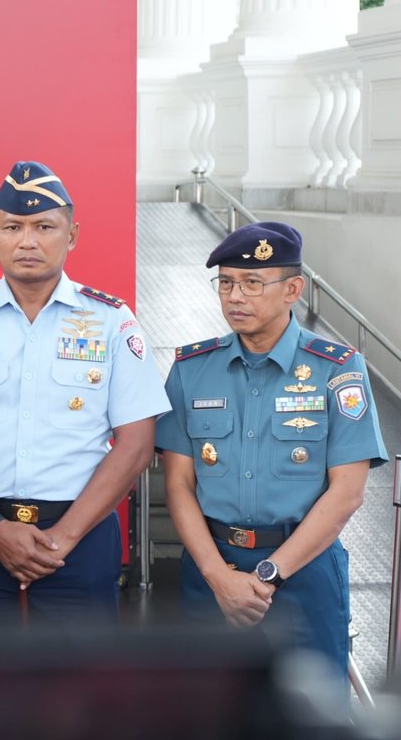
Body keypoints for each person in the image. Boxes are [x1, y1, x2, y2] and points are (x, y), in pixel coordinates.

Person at [0, 161, 169, 624]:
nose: (27, 241)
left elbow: (136, 443)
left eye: (44, 227)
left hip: (82, 535)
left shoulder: (112, 321)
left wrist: (64, 537)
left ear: (71, 235)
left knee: (79, 668)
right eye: (13, 227)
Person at [156, 221, 386, 687]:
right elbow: (178, 484)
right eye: (225, 283)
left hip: (305, 570)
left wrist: (267, 576)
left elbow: (347, 493)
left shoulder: (337, 370)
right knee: (208, 711)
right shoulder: (190, 370)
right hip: (212, 567)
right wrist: (219, 578)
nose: (234, 297)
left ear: (292, 290)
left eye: (252, 283)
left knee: (311, 712)